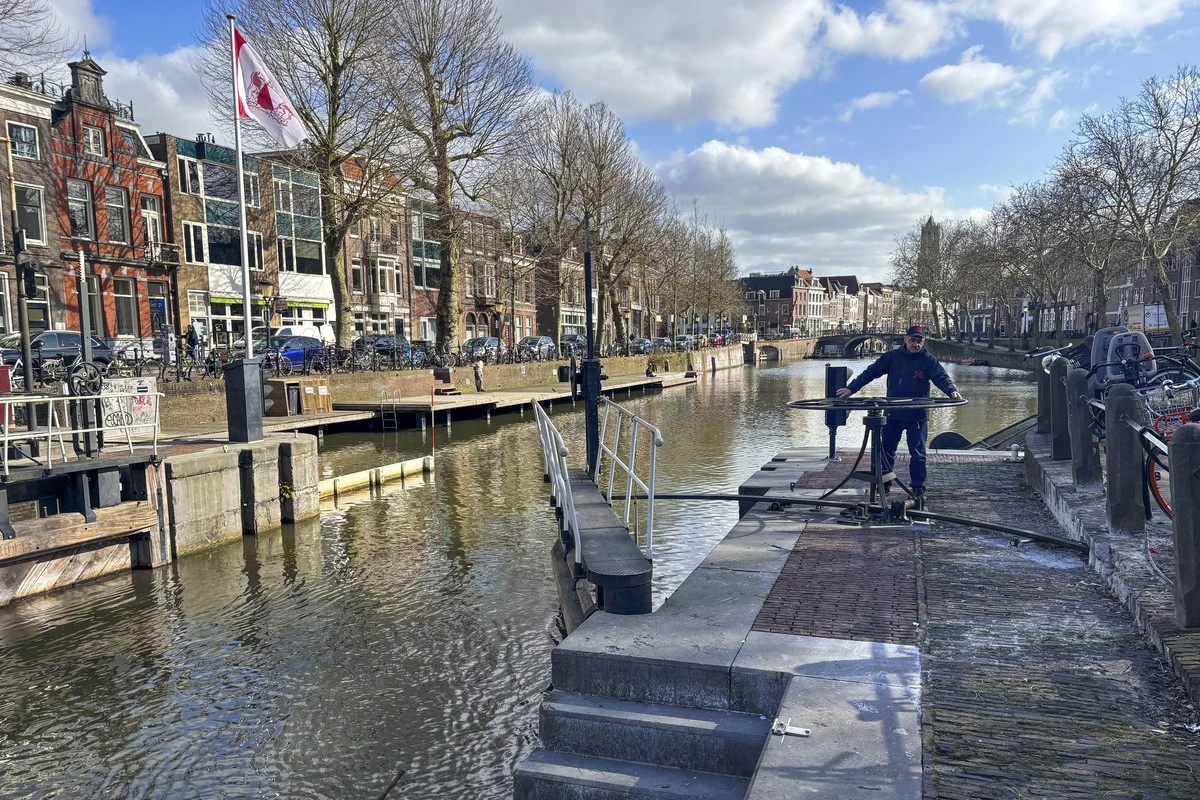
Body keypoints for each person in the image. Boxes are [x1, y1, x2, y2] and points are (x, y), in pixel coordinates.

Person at [835, 325, 963, 500]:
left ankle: (918, 488)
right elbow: (871, 372)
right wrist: (851, 389)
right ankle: (884, 485)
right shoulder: (893, 357)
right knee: (887, 451)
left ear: (923, 342)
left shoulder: (928, 360)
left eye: (919, 341)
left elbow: (941, 377)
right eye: (913, 340)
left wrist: (951, 391)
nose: (916, 344)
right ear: (905, 339)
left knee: (918, 454)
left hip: (916, 415)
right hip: (893, 414)